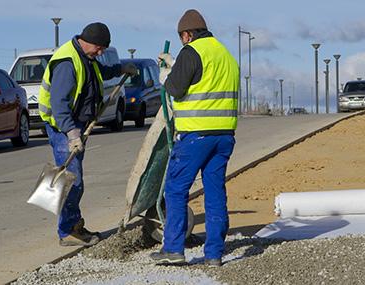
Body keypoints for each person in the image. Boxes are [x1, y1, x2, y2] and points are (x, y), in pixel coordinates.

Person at [149, 9, 239, 267]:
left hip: (196, 136)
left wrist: (166, 74)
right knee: (215, 192)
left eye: (182, 38)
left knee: (175, 189)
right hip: (224, 136)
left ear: (187, 35)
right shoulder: (225, 54)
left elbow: (176, 88)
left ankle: (173, 249)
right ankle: (214, 254)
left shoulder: (192, 52)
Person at [38, 22, 136, 246]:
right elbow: (59, 103)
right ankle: (68, 231)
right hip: (63, 128)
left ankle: (71, 224)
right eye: (99, 48)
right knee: (72, 181)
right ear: (87, 41)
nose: (101, 52)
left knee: (72, 179)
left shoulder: (86, 58)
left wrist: (121, 69)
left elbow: (98, 73)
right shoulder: (67, 63)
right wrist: (72, 134)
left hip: (77, 126)